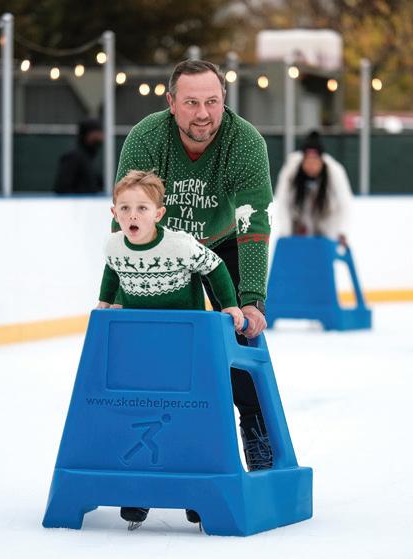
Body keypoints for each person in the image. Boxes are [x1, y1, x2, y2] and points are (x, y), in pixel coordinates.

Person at [115, 60, 274, 477]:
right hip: (164, 247)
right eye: (190, 103)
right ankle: (147, 450)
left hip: (224, 242)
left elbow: (254, 222)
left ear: (224, 100)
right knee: (158, 350)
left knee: (240, 339)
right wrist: (118, 294)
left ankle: (256, 431)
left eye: (212, 102)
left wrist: (252, 299)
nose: (203, 113)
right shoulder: (147, 138)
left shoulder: (245, 142)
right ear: (171, 103)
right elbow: (127, 218)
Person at [97, 169, 244, 530]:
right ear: (114, 213)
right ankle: (139, 491)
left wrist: (229, 304)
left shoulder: (179, 245)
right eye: (125, 208)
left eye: (142, 208)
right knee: (141, 411)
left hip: (185, 342)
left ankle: (195, 492)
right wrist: (106, 301)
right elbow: (113, 270)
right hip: (140, 346)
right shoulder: (114, 245)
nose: (133, 215)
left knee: (188, 414)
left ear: (158, 213)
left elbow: (215, 266)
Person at [274, 130, 353, 246]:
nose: (311, 165)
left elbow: (345, 203)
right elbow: (283, 202)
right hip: (298, 226)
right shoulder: (290, 172)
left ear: (322, 160)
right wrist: (286, 232)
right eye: (308, 160)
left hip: (326, 227)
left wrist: (342, 231)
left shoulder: (335, 172)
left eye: (315, 160)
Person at [53, 118, 104, 194]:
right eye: (96, 134)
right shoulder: (73, 158)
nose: (101, 137)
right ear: (87, 135)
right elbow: (62, 189)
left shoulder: (88, 159)